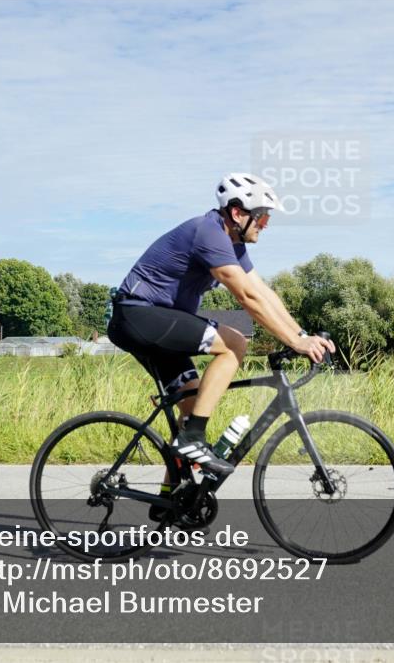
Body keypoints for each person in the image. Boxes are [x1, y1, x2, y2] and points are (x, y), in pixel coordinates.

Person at [107, 173, 336, 478]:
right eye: (262, 217)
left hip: (152, 321)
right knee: (234, 343)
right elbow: (247, 297)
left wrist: (302, 335)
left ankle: (174, 497)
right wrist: (295, 344)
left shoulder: (233, 244)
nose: (266, 224)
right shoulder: (208, 233)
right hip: (138, 316)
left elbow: (264, 293)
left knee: (191, 406)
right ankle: (192, 439)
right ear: (238, 213)